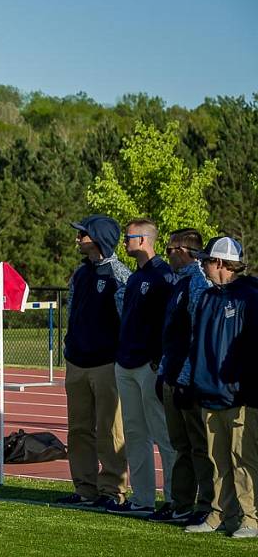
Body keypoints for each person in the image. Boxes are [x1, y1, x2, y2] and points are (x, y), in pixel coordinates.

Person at [183, 237, 258, 538]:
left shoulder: (249, 297)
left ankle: (250, 518)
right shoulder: (208, 297)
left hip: (237, 395)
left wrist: (246, 386)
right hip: (209, 391)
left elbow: (250, 349)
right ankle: (220, 513)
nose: (202, 265)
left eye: (206, 261)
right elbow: (199, 344)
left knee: (243, 460)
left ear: (221, 264)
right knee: (217, 461)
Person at [56, 214, 131, 509]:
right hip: (77, 362)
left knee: (110, 430)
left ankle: (113, 490)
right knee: (78, 430)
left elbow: (127, 319)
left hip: (105, 364)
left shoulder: (119, 275)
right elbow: (74, 312)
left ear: (98, 237)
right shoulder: (80, 274)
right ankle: (85, 488)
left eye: (82, 234)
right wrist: (69, 345)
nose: (77, 238)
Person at [109, 219, 176, 517]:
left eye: (128, 238)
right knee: (135, 433)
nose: (124, 242)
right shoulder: (136, 278)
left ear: (143, 240)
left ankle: (175, 499)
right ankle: (143, 499)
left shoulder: (163, 275)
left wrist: (158, 357)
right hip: (126, 362)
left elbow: (168, 322)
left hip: (149, 365)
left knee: (163, 433)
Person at [153, 228, 214, 526]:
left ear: (185, 250)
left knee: (199, 446)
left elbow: (195, 336)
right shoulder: (179, 283)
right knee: (181, 446)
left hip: (187, 380)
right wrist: (164, 372)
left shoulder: (197, 283)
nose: (168, 254)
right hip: (172, 375)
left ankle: (206, 504)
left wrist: (186, 378)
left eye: (171, 248)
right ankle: (180, 502)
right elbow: (172, 335)